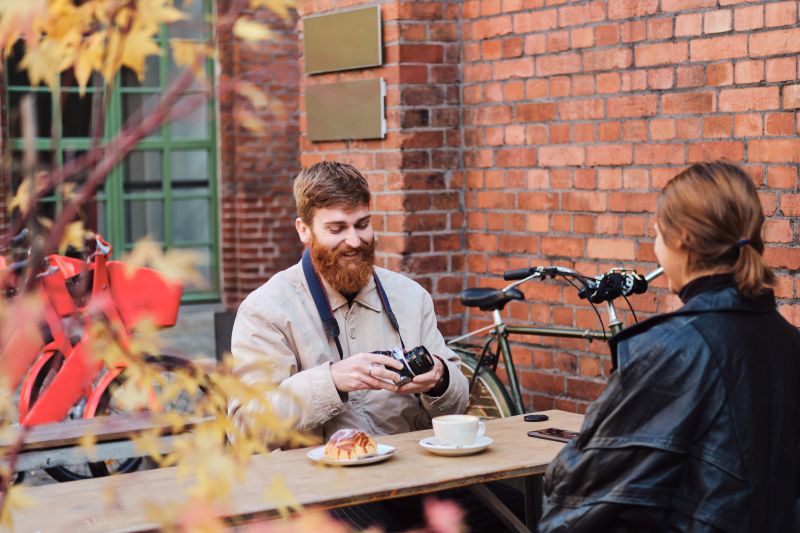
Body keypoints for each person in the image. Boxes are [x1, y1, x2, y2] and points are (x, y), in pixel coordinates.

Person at [539, 161, 800, 532]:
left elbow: (582, 489)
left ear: (681, 239)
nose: (656, 249)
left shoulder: (673, 350)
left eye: (658, 235)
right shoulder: (787, 340)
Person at [229, 161, 468, 444]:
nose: (354, 241)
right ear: (304, 230)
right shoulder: (265, 309)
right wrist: (330, 382)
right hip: (319, 483)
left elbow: (459, 405)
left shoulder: (411, 296)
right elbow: (246, 429)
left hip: (414, 476)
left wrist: (439, 379)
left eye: (362, 225)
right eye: (337, 228)